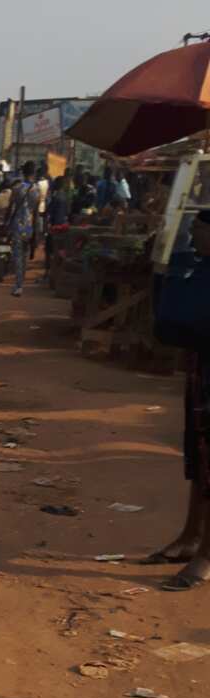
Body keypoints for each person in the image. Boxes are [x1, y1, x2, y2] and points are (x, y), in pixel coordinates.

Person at [144, 210, 210, 589]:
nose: (195, 233)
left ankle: (206, 555)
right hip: (203, 369)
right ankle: (191, 537)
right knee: (199, 456)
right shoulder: (198, 266)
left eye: (201, 228)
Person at [7, 160, 40, 296]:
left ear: (23, 172)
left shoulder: (17, 188)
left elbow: (10, 208)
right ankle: (21, 284)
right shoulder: (37, 190)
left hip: (18, 226)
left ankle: (18, 285)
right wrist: (37, 232)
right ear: (34, 173)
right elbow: (37, 213)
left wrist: (5, 223)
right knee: (25, 256)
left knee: (18, 257)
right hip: (29, 227)